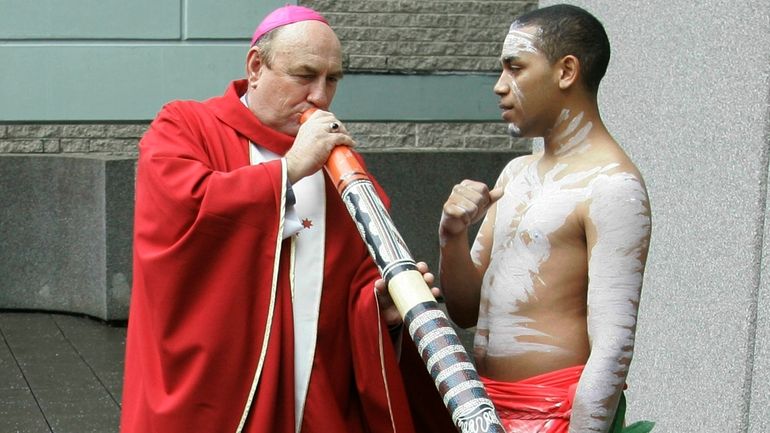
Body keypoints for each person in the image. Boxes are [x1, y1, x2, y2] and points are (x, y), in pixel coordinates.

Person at [120, 6, 452, 433]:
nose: (320, 95)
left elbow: (353, 281)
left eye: (332, 80)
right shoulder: (186, 125)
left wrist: (380, 306)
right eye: (304, 75)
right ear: (256, 67)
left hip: (314, 392)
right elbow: (182, 211)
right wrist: (289, 169)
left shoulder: (342, 170)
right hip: (217, 388)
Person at [438, 4, 652, 433]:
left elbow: (612, 349)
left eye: (515, 68)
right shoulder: (515, 173)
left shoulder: (612, 186)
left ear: (566, 71)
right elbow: (463, 310)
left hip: (556, 415)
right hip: (481, 407)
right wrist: (452, 235)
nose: (499, 87)